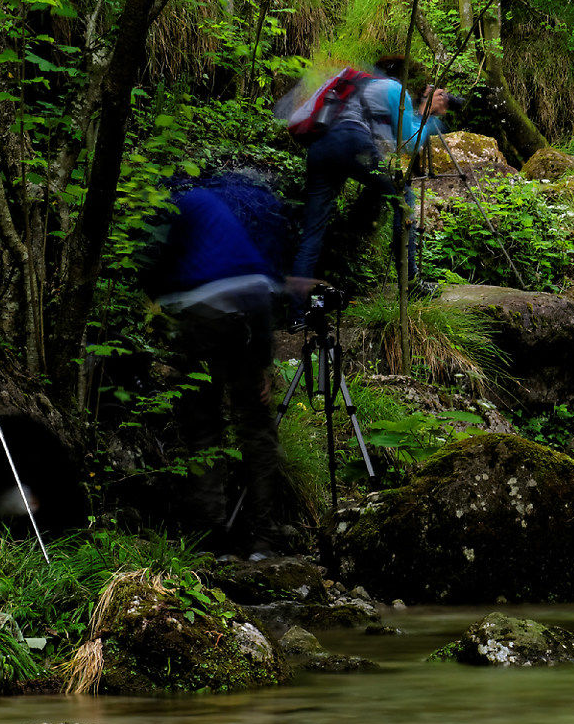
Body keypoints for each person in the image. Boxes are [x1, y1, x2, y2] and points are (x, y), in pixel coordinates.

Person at [148, 168, 291, 539]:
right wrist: (263, 366)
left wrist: (155, 304)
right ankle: (265, 530)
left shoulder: (184, 204)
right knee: (256, 422)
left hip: (203, 310)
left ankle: (209, 530)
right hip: (253, 301)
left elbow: (164, 266)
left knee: (202, 422)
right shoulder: (240, 209)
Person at [290, 54, 449, 285]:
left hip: (320, 147)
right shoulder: (394, 88)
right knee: (403, 196)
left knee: (313, 232)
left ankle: (297, 317)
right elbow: (410, 141)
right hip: (352, 141)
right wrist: (427, 114)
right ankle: (411, 282)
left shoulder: (358, 84)